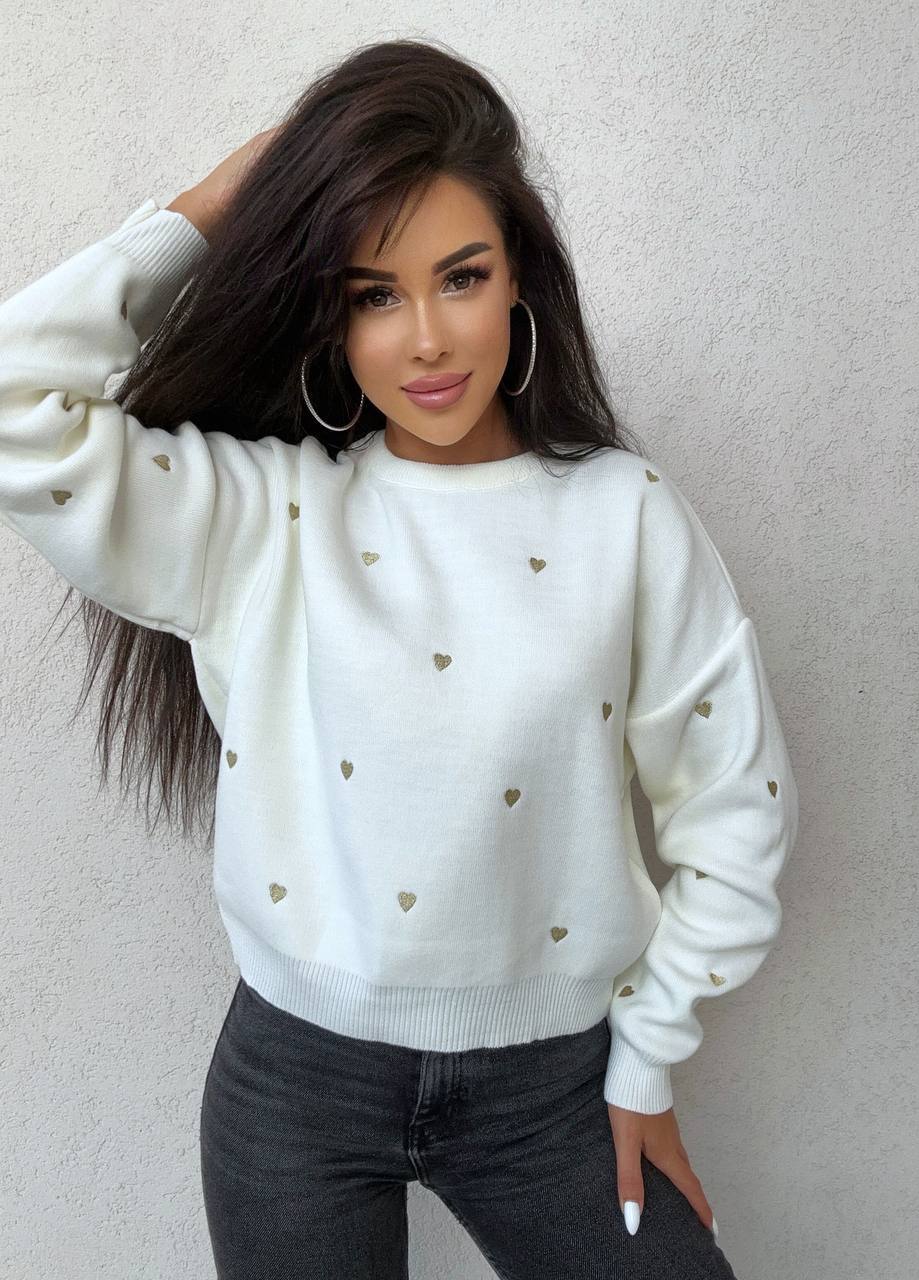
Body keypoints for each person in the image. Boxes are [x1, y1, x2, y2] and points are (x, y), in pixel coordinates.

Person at [0, 38, 798, 1280]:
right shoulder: (260, 517)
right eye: (373, 292)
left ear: (518, 277)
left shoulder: (623, 517)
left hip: (552, 1093)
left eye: (460, 276)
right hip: (292, 1090)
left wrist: (646, 1057)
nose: (426, 339)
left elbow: (732, 807)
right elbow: (15, 402)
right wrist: (212, 211)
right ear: (328, 311)